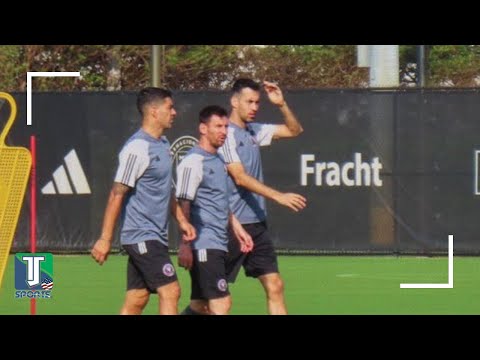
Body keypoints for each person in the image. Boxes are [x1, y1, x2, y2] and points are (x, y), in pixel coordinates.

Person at [90, 87, 196, 315]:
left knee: (137, 299)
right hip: (141, 235)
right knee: (171, 291)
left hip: (155, 237)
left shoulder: (164, 145)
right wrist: (105, 239)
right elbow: (117, 193)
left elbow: (167, 190)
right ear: (154, 112)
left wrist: (182, 221)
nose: (175, 112)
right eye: (170, 107)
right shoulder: (137, 148)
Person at [217, 78, 307, 315]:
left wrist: (281, 104)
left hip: (256, 224)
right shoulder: (224, 134)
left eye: (257, 102)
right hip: (230, 225)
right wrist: (278, 196)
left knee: (275, 285)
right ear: (234, 102)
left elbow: (294, 130)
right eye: (249, 102)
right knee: (212, 299)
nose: (255, 107)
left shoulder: (254, 131)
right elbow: (239, 177)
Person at [175, 105, 253, 315]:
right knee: (221, 303)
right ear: (203, 128)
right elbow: (183, 204)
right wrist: (184, 245)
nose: (224, 131)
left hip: (218, 242)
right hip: (203, 245)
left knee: (200, 306)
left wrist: (237, 228)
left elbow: (219, 202)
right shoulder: (193, 161)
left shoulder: (219, 161)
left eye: (226, 126)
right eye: (217, 126)